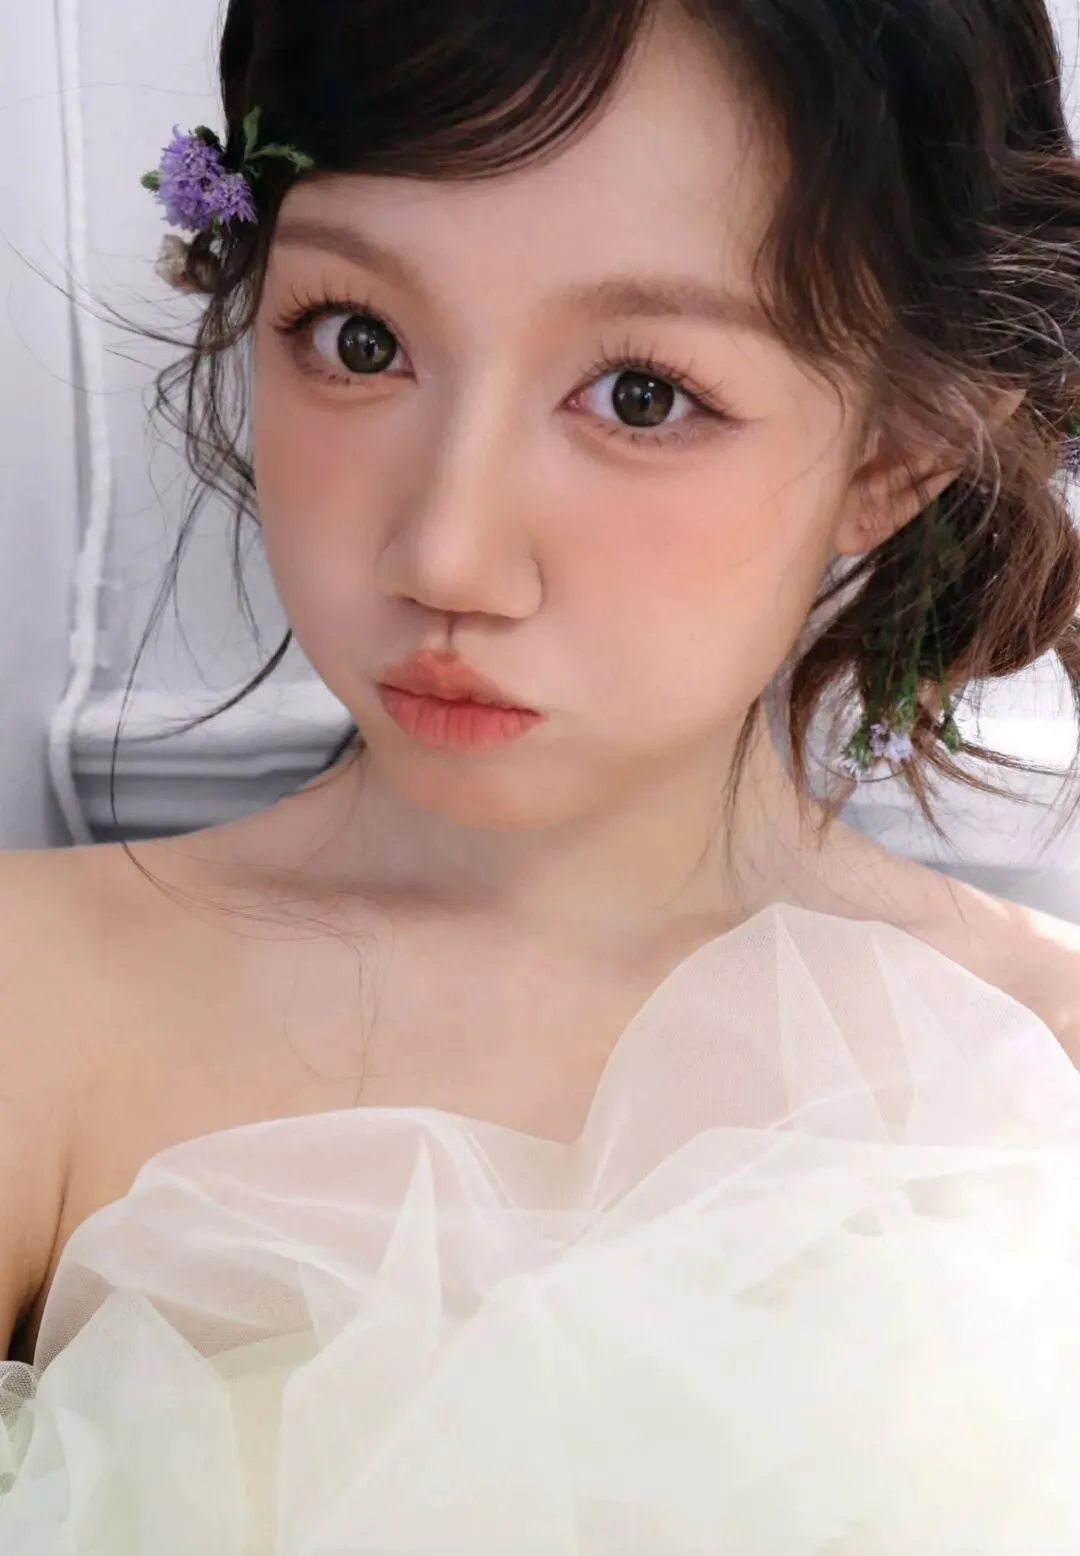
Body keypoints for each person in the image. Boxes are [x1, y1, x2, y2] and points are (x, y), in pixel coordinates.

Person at [4, 0, 1080, 1547]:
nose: (447, 553)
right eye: (358, 339)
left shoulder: (1044, 1064)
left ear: (893, 456)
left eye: (642, 394)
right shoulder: (40, 1006)